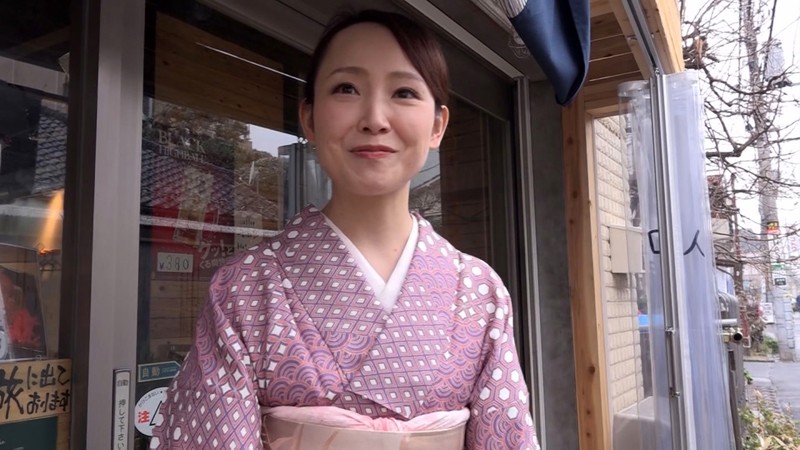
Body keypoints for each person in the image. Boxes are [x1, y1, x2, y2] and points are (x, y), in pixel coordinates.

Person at [151, 9, 539, 450]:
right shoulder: (244, 289)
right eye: (346, 88)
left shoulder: (480, 293)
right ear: (310, 118)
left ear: (437, 126)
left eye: (404, 92)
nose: (375, 118)